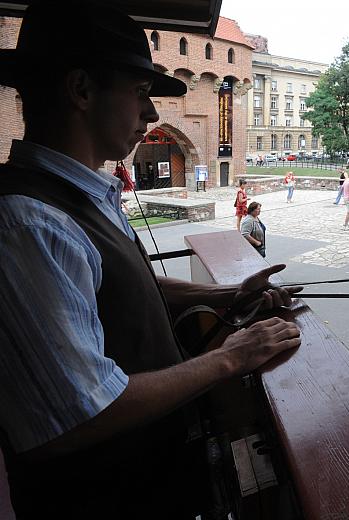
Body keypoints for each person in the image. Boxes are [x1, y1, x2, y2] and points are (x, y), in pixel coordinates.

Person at [0, 2, 301, 517]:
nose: (152, 114)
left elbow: (118, 287)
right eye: (140, 94)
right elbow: (79, 414)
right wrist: (232, 356)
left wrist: (228, 293)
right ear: (81, 90)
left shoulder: (80, 196)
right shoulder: (29, 220)